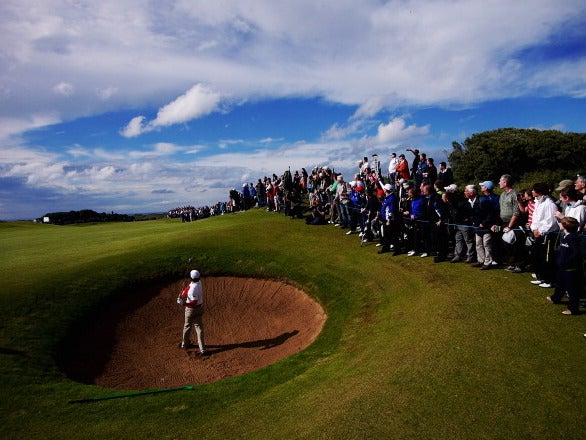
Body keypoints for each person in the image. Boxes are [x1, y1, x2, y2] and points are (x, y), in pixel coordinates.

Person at [547, 217, 583, 315]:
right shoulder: (566, 236)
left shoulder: (572, 238)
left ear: (565, 226)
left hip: (570, 269)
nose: (560, 225)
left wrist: (567, 261)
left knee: (572, 290)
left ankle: (573, 309)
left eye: (561, 223)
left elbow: (576, 253)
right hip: (562, 267)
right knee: (560, 284)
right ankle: (556, 298)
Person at [529, 182, 560, 288]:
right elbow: (535, 218)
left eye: (534, 190)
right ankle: (541, 277)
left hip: (548, 235)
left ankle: (549, 280)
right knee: (538, 256)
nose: (532, 191)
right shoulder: (538, 202)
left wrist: (541, 231)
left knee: (547, 257)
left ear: (539, 191)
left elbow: (551, 222)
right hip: (538, 234)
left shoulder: (549, 204)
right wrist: (534, 229)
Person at [493, 174, 523, 273]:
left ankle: (519, 265)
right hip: (504, 223)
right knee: (506, 244)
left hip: (514, 224)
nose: (499, 183)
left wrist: (510, 226)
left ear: (505, 182)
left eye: (500, 181)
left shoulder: (515, 194)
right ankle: (511, 263)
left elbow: (516, 212)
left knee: (515, 245)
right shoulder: (502, 194)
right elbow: (500, 211)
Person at [178, 269, 207, 355]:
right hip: (200, 309)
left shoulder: (193, 290)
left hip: (191, 310)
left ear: (191, 278)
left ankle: (185, 344)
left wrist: (183, 303)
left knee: (187, 326)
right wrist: (183, 293)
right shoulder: (199, 283)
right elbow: (189, 287)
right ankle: (202, 349)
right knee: (199, 329)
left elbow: (193, 303)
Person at [473, 181, 500, 270]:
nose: (481, 187)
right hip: (479, 225)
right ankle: (481, 260)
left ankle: (488, 262)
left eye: (483, 186)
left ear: (487, 188)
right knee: (478, 243)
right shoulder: (480, 198)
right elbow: (476, 212)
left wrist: (485, 222)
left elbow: (494, 213)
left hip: (489, 225)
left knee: (487, 244)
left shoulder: (495, 198)